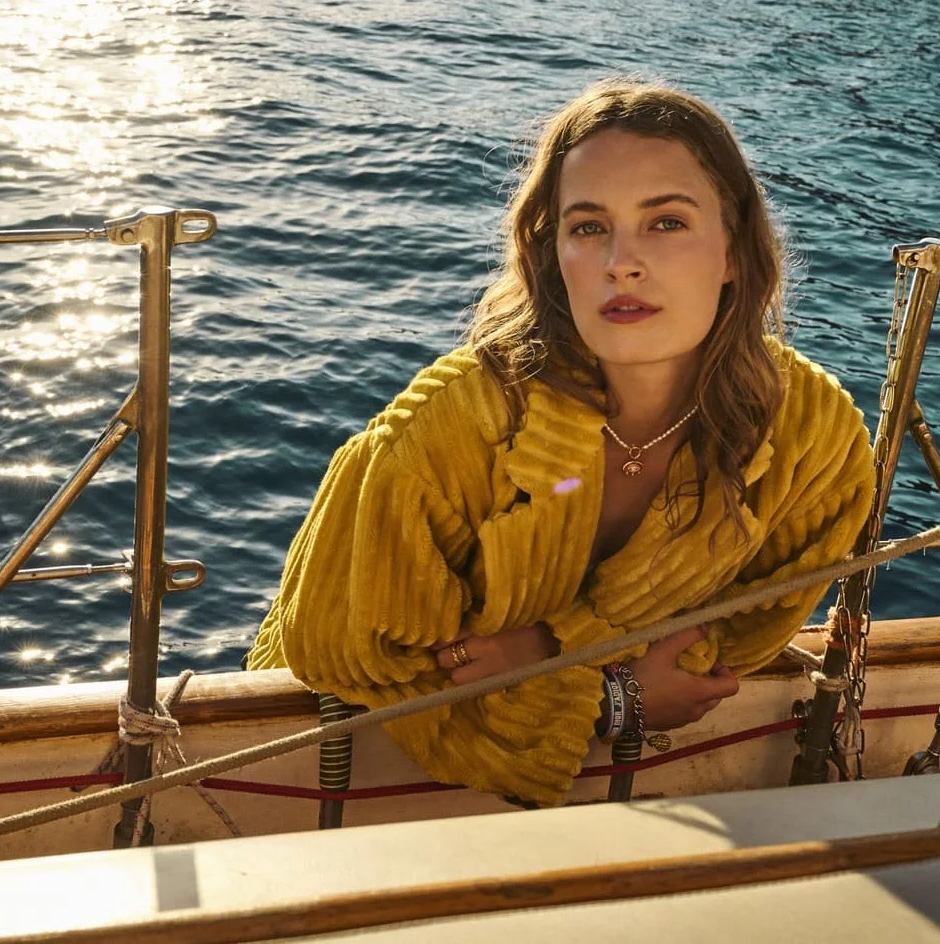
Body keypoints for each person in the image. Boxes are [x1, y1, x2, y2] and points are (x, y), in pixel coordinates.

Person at [249, 79, 874, 805]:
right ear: (553, 256)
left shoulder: (808, 437)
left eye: (666, 222)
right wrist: (608, 699)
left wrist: (553, 645)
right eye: (588, 227)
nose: (621, 262)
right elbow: (347, 656)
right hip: (312, 773)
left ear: (733, 250)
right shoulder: (452, 431)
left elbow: (742, 631)